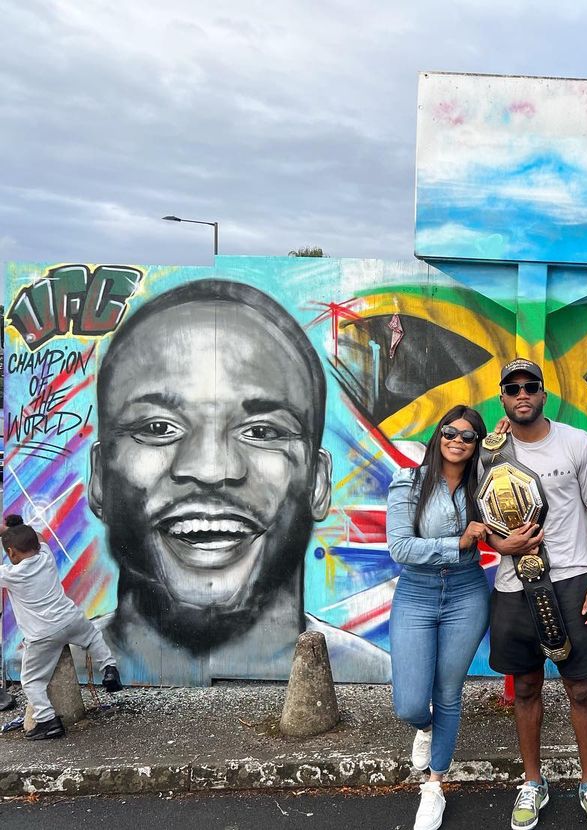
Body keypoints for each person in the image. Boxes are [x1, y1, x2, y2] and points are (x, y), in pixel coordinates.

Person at [87, 279, 390, 685]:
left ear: (318, 482)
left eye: (262, 431)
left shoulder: (378, 672)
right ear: (99, 478)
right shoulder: (54, 661)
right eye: (158, 428)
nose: (211, 469)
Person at [484, 358, 587, 830]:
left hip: (572, 581)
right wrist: (500, 545)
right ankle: (532, 782)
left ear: (544, 393)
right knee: (525, 687)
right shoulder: (490, 453)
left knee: (580, 687)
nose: (522, 394)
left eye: (530, 386)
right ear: (502, 397)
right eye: (512, 388)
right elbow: (481, 520)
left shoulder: (577, 443)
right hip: (512, 587)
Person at [386, 405, 491, 830]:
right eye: (450, 432)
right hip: (417, 592)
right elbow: (400, 547)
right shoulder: (409, 482)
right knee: (410, 703)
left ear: (477, 444)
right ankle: (425, 728)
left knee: (448, 691)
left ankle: (434, 786)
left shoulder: (483, 485)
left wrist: (501, 446)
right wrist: (458, 542)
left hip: (467, 592)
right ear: (438, 435)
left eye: (468, 436)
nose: (457, 441)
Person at [0, 515, 123, 739]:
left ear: (11, 553)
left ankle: (48, 721)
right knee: (93, 637)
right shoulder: (46, 556)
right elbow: (39, 537)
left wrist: (4, 532)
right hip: (70, 619)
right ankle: (109, 668)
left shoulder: (11, 574)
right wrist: (16, 530)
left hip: (42, 635)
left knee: (32, 681)